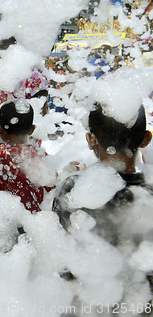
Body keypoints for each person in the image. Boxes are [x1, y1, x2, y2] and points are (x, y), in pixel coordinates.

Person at [52, 102, 153, 292]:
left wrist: (80, 179)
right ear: (146, 139)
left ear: (91, 139)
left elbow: (64, 262)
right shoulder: (147, 196)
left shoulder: (72, 191)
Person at [0, 100, 54, 212]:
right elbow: (52, 186)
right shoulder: (40, 156)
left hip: (5, 216)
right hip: (36, 220)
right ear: (32, 130)